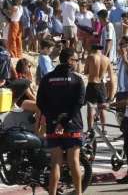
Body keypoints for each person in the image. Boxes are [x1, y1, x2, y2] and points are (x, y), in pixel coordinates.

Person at [36, 48, 85, 195]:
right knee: (74, 161)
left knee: (55, 162)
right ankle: (79, 193)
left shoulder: (47, 79)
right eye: (76, 60)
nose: (77, 63)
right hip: (72, 126)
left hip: (53, 126)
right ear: (70, 60)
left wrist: (54, 121)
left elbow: (40, 102)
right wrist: (64, 122)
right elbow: (78, 104)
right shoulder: (77, 80)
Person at [83, 42, 116, 132]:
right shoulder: (106, 59)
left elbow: (86, 71)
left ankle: (90, 129)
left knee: (91, 107)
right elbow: (111, 76)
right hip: (101, 85)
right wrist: (111, 93)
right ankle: (104, 129)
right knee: (102, 108)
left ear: (93, 49)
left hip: (92, 84)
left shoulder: (91, 57)